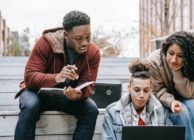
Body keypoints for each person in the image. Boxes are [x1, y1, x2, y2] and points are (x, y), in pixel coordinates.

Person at [14, 10, 101, 140]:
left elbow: (88, 84)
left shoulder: (93, 52)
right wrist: (57, 77)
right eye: (78, 38)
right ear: (66, 34)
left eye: (88, 36)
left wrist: (77, 95)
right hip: (35, 92)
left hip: (64, 97)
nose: (85, 43)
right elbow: (29, 77)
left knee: (91, 109)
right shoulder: (46, 42)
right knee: (30, 106)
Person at [147, 31, 194, 140]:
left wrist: (177, 72)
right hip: (164, 101)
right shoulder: (153, 61)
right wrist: (171, 101)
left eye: (180, 56)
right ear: (165, 50)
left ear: (188, 57)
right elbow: (156, 91)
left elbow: (193, 93)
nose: (174, 60)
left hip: (187, 97)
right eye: (171, 53)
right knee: (181, 112)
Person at [101, 59, 172, 140]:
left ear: (151, 89)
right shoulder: (112, 112)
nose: (141, 95)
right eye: (137, 90)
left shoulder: (162, 112)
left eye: (146, 90)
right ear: (129, 88)